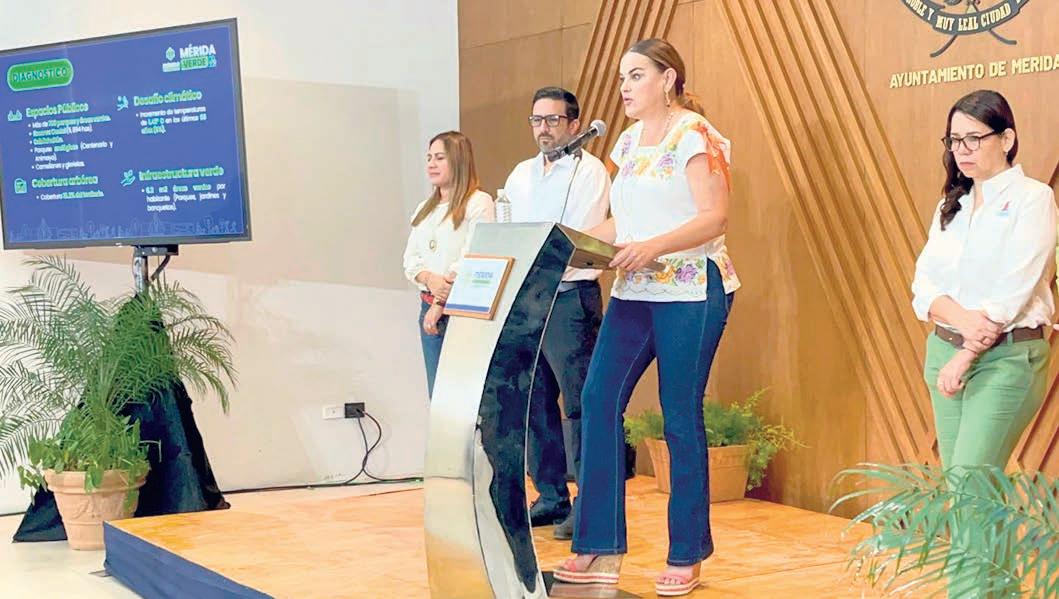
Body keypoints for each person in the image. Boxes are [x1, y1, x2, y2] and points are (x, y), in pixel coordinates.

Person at [554, 38, 739, 597]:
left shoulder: (696, 136)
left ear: (668, 78)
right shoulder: (629, 141)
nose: (625, 87)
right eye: (621, 78)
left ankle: (687, 553)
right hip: (635, 291)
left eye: (636, 75)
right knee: (597, 398)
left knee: (679, 414)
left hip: (692, 289)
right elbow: (623, 222)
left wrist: (652, 246)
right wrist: (568, 244)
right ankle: (598, 543)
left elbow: (714, 217)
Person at [911, 89, 1055, 598]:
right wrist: (960, 325)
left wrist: (970, 349)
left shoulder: (1033, 199)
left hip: (1006, 358)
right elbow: (923, 286)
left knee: (971, 485)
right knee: (969, 493)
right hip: (944, 350)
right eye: (954, 140)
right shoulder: (950, 205)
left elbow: (1013, 289)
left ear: (1007, 138)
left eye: (975, 138)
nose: (962, 151)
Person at [503, 86, 611, 540]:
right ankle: (550, 495)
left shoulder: (590, 172)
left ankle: (590, 502)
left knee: (579, 403)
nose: (543, 129)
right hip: (527, 299)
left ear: (574, 124)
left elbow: (580, 236)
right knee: (534, 400)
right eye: (536, 120)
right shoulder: (521, 174)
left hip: (570, 298)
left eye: (552, 120)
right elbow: (509, 230)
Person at [402, 131, 495, 397]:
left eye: (439, 158)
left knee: (466, 396)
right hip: (428, 304)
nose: (431, 164)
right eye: (429, 158)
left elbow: (473, 255)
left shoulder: (478, 202)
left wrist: (441, 302)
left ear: (458, 160)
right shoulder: (424, 208)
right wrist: (429, 279)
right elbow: (410, 259)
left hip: (463, 312)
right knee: (439, 395)